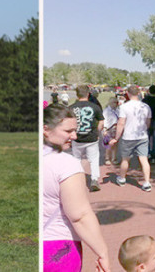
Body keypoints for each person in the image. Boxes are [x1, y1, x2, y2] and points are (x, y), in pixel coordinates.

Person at [42, 103, 110, 272]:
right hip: (58, 248)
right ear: (46, 129)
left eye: (75, 130)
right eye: (68, 131)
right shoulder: (66, 165)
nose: (74, 135)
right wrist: (102, 252)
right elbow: (79, 215)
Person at [110, 85, 152, 191]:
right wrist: (144, 129)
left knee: (125, 159)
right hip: (142, 136)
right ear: (138, 93)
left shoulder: (124, 107)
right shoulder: (145, 107)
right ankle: (147, 182)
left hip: (128, 136)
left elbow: (121, 123)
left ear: (128, 94)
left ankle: (122, 178)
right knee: (144, 159)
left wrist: (116, 137)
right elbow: (148, 122)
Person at [69, 84, 104, 192]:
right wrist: (97, 131)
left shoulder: (71, 108)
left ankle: (77, 179)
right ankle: (94, 179)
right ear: (88, 94)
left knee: (76, 159)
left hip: (77, 138)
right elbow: (101, 121)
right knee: (93, 159)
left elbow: (68, 124)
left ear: (77, 94)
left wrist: (70, 135)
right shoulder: (95, 107)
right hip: (91, 138)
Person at [102, 96, 120, 165]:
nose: (115, 104)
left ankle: (114, 158)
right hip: (108, 128)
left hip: (116, 128)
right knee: (108, 144)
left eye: (116, 102)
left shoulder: (118, 110)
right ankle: (107, 158)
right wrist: (105, 129)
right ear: (110, 103)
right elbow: (105, 120)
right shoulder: (106, 111)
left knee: (115, 144)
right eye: (114, 102)